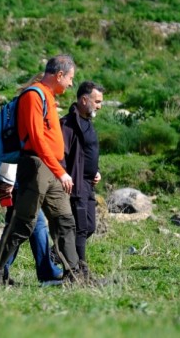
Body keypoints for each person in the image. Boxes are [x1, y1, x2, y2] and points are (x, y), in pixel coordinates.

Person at [0, 55, 79, 288]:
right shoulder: (33, 95)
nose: (70, 84)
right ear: (59, 75)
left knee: (65, 221)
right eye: (70, 78)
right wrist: (61, 171)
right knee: (22, 224)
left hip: (50, 168)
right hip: (37, 167)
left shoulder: (48, 96)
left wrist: (58, 170)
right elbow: (36, 139)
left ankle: (77, 277)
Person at [61, 81, 104, 279]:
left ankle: (60, 251)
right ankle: (79, 271)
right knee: (80, 228)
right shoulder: (69, 123)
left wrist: (96, 171)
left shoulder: (87, 121)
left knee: (90, 226)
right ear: (84, 99)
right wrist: (65, 176)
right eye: (97, 101)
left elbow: (88, 151)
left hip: (89, 182)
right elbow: (62, 155)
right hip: (76, 184)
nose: (99, 106)